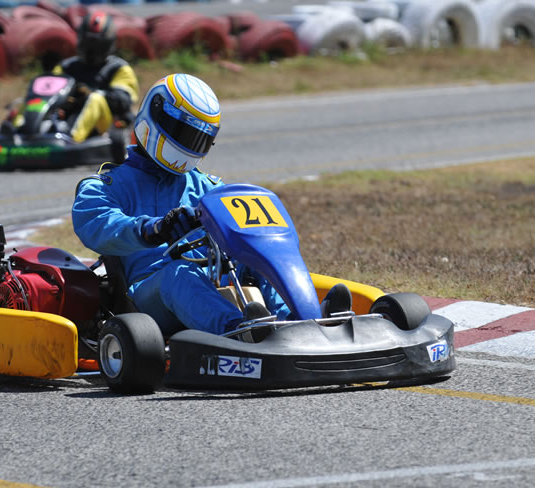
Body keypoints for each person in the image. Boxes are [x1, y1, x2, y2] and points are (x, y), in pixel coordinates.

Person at [72, 73, 351, 340]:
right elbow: (96, 225)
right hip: (148, 296)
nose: (190, 146)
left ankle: (303, 323)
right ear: (157, 117)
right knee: (179, 273)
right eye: (184, 133)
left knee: (257, 260)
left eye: (199, 139)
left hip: (210, 282)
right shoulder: (109, 183)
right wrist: (153, 228)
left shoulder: (207, 186)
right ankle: (241, 332)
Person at [50, 11, 140, 143]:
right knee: (34, 99)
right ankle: (20, 132)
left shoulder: (119, 68)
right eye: (88, 46)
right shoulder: (66, 67)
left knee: (95, 99)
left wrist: (88, 93)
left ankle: (70, 139)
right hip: (67, 116)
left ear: (108, 45)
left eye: (98, 47)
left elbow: (123, 100)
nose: (91, 52)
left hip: (105, 126)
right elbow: (50, 89)